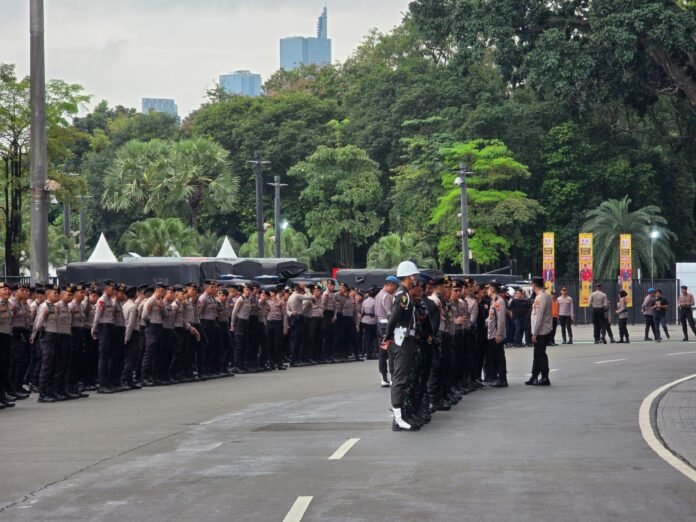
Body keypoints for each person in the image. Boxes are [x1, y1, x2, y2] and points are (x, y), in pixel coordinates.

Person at [383, 260, 420, 431]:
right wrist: (388, 337)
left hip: (405, 339)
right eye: (414, 275)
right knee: (399, 378)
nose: (416, 278)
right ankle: (398, 418)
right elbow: (393, 318)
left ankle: (401, 415)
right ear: (409, 276)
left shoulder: (405, 294)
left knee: (404, 378)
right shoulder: (402, 296)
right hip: (401, 340)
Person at [527, 276, 553, 386]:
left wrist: (535, 333)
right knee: (537, 355)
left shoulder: (540, 298)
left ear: (533, 285)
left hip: (541, 331)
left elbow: (539, 317)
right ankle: (534, 376)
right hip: (544, 329)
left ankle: (545, 377)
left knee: (540, 355)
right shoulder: (546, 296)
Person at [375, 276, 398, 387]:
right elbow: (391, 314)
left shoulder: (378, 295)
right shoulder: (387, 296)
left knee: (382, 353)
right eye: (395, 287)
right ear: (391, 284)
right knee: (391, 351)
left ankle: (383, 378)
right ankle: (393, 377)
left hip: (380, 324)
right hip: (387, 325)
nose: (395, 290)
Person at [485, 283, 508, 388]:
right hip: (492, 334)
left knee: (499, 357)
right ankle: (499, 378)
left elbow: (501, 320)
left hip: (496, 334)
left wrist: (499, 334)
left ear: (492, 289)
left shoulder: (499, 302)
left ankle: (502, 379)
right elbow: (491, 318)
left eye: (488, 289)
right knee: (495, 357)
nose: (487, 291)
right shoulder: (494, 301)